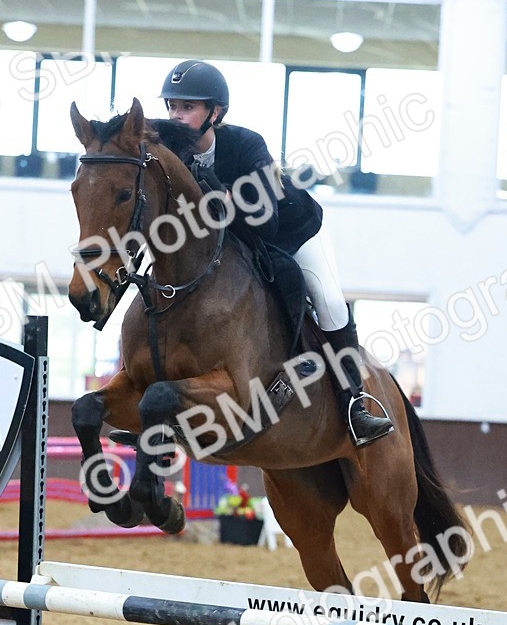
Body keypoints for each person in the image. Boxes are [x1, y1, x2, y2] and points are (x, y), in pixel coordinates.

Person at [159, 59, 393, 447]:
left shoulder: (247, 144)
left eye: (188, 107)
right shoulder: (173, 153)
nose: (177, 116)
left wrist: (219, 197)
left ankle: (355, 405)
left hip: (293, 231)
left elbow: (265, 224)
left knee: (330, 301)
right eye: (173, 107)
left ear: (215, 112)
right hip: (237, 240)